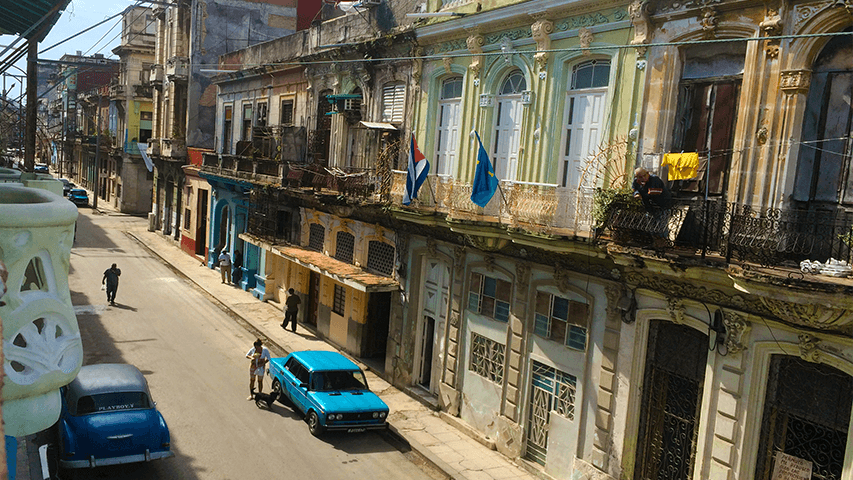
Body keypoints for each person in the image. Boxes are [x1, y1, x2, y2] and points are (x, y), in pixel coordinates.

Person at [632, 167, 673, 242]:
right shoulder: (636, 182)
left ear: (648, 173)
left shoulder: (655, 180)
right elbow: (634, 189)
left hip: (662, 205)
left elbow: (653, 192)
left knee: (661, 227)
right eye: (640, 177)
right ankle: (654, 242)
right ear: (636, 177)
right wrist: (636, 193)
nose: (643, 178)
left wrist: (642, 194)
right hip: (649, 207)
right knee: (651, 227)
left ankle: (663, 243)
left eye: (644, 176)